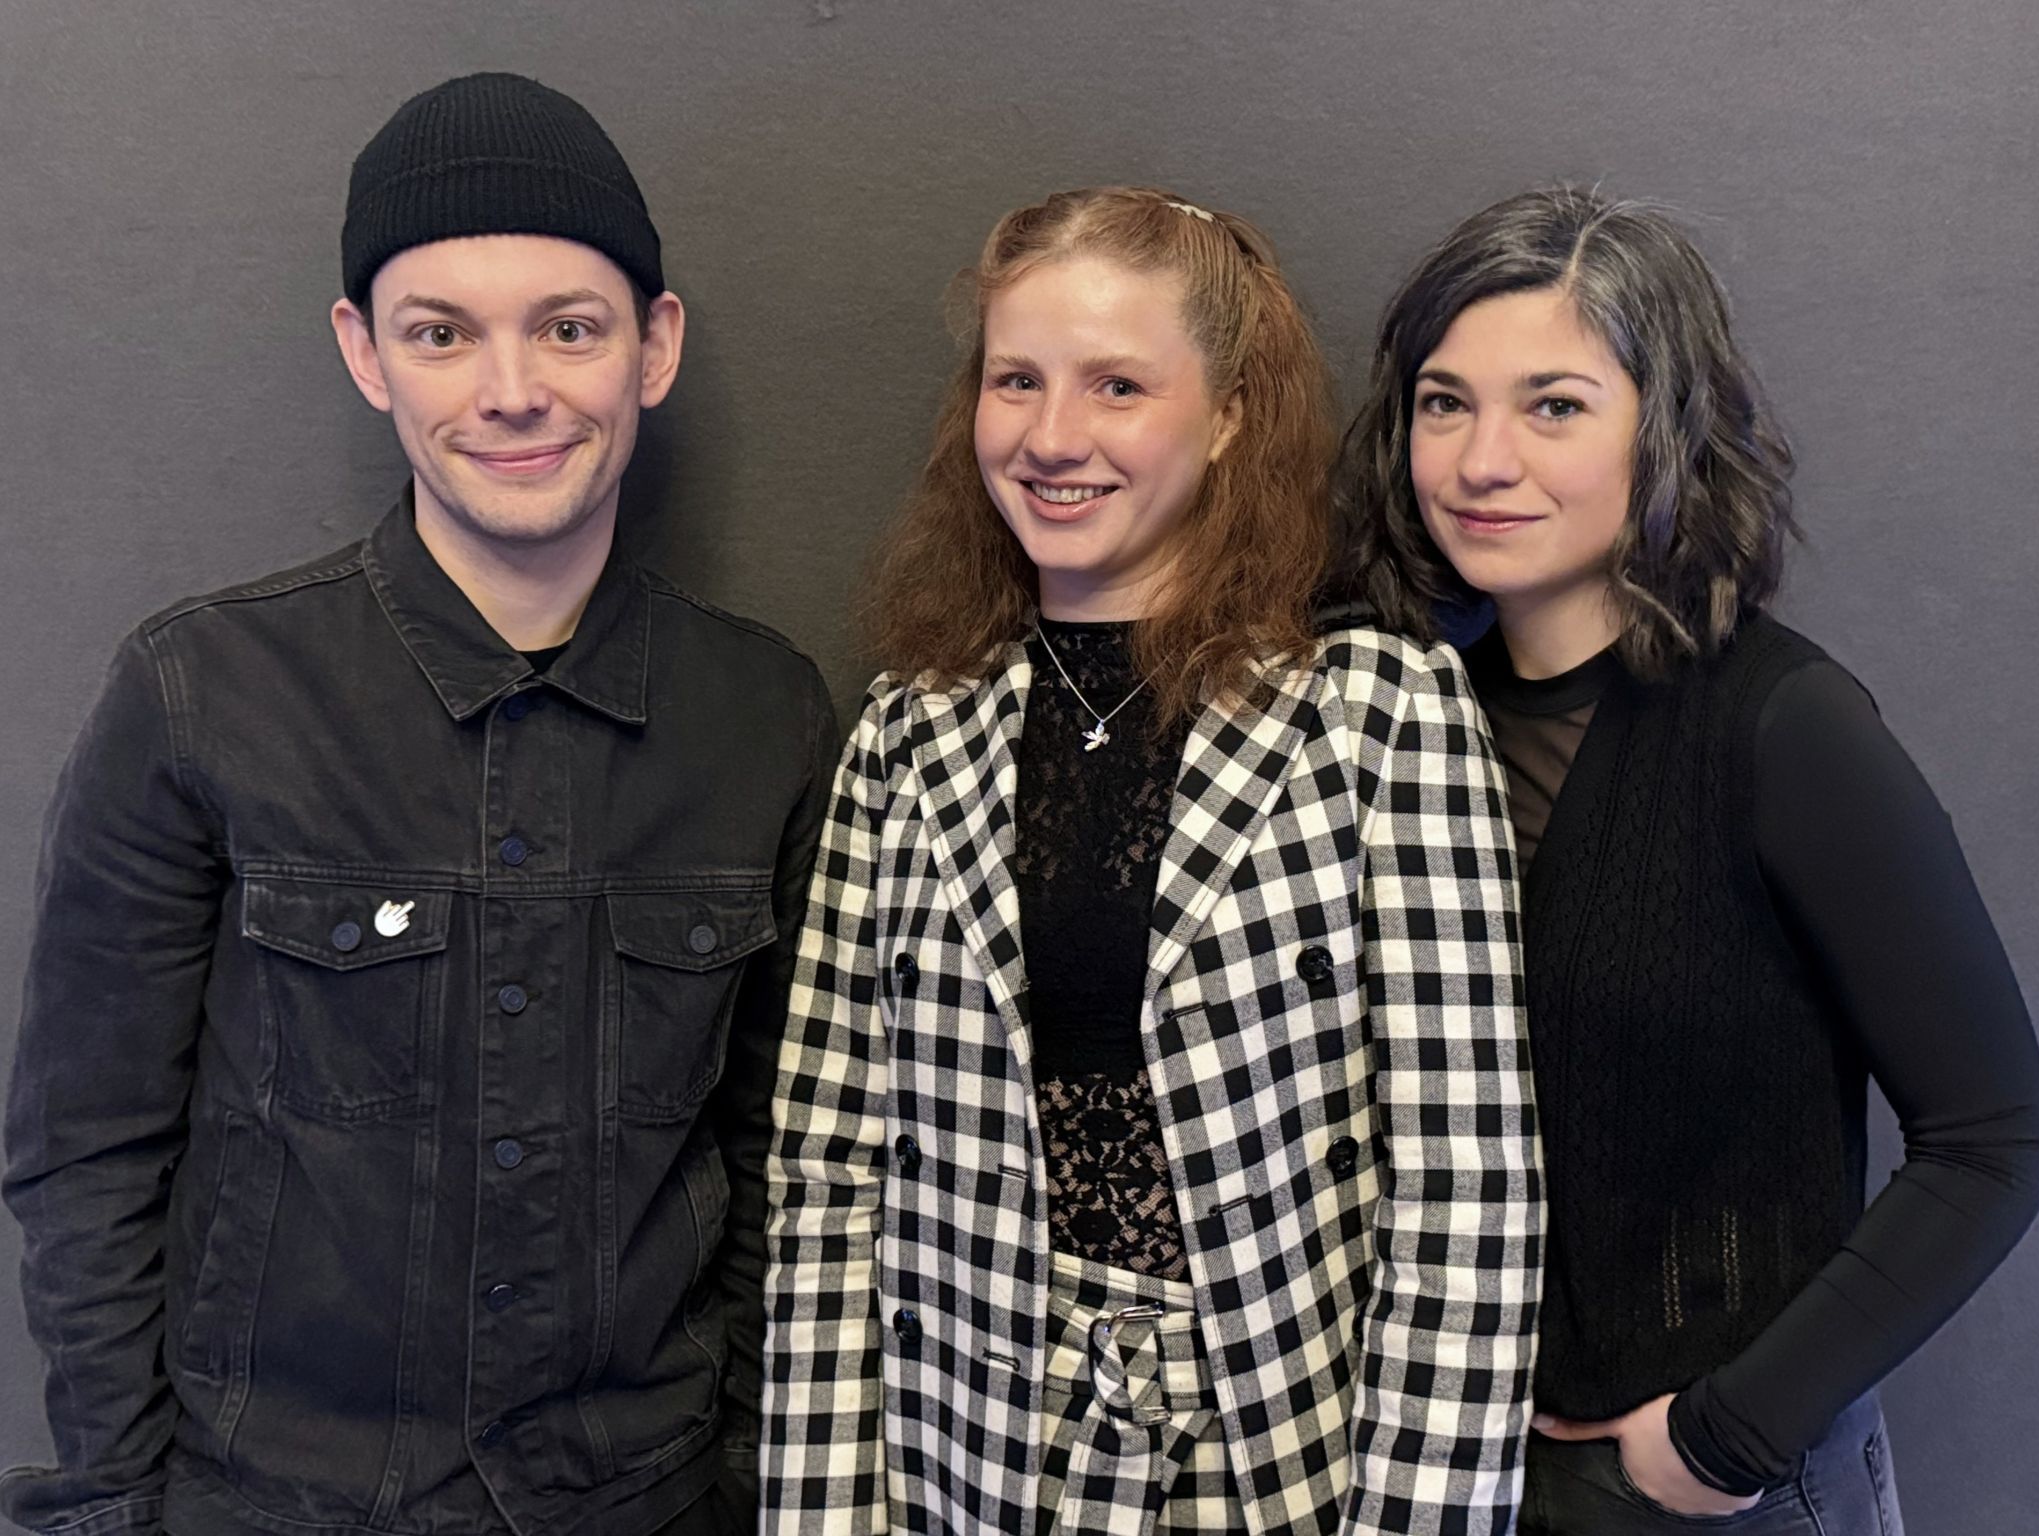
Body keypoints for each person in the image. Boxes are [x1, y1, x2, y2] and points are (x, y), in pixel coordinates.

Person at [0, 72, 836, 1536]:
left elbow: (782, 1152)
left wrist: (764, 1478)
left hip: (646, 1501)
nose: (510, 390)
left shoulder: (765, 713)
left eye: (567, 327)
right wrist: (108, 1507)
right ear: (364, 354)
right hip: (273, 1502)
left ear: (655, 345)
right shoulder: (198, 689)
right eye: (440, 333)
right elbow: (89, 1149)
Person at [759, 186, 1542, 1535]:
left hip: (1281, 1469)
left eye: (1117, 384)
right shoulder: (905, 735)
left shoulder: (1381, 720)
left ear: (1230, 412)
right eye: (1017, 380)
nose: (1053, 437)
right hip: (973, 1462)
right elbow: (828, 1176)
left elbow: (1464, 1199)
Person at [1328, 185, 2039, 1534]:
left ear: (1665, 430)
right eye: (1444, 402)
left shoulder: (1784, 726)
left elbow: (1993, 1138)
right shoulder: (1399, 724)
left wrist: (1728, 1436)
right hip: (1445, 1479)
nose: (1483, 460)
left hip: (1717, 1495)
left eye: (1555, 405)